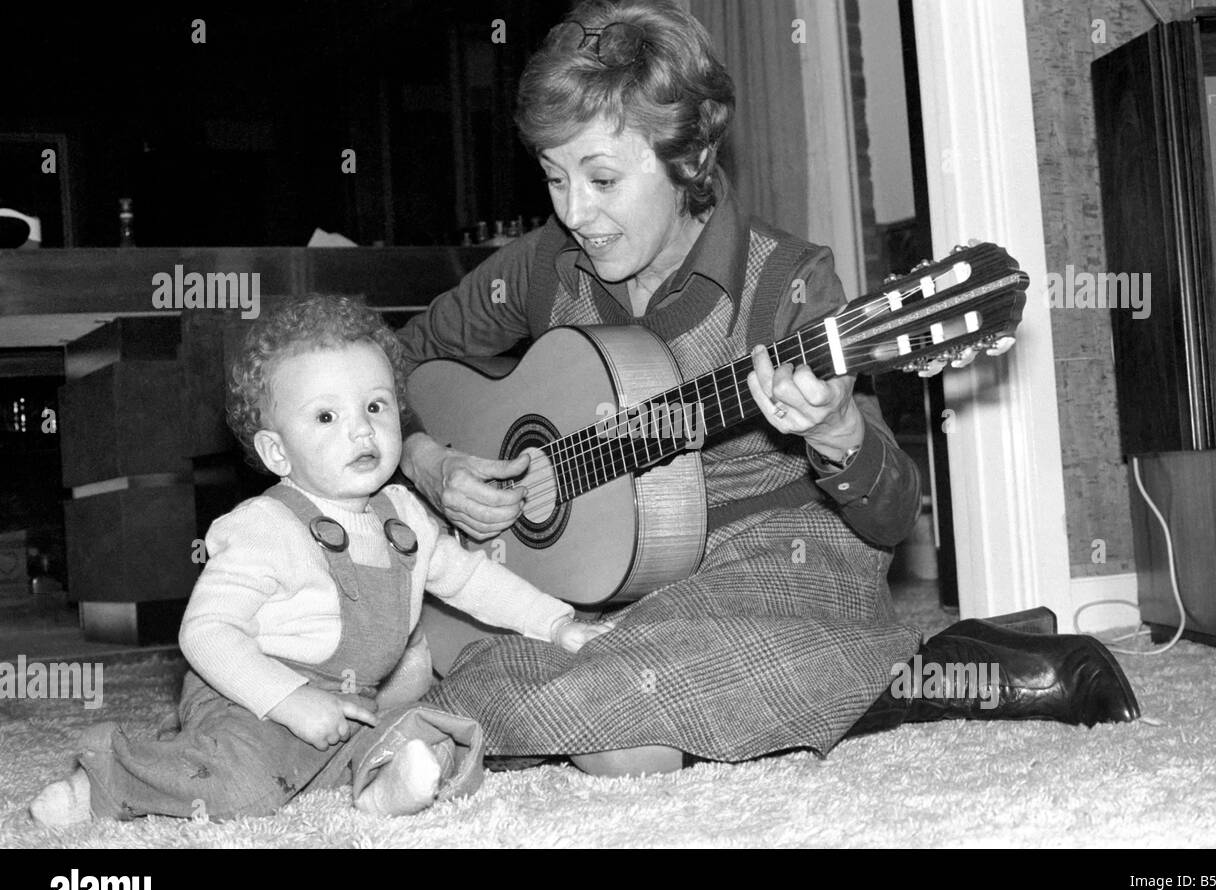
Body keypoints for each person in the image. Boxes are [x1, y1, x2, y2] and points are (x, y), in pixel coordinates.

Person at [398, 0, 1139, 777]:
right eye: (555, 176)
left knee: (601, 732)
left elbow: (890, 518)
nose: (576, 212)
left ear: (687, 158)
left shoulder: (787, 283)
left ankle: (934, 666)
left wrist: (837, 433)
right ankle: (853, 676)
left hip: (780, 566)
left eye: (604, 178)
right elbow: (397, 356)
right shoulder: (544, 266)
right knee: (567, 698)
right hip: (613, 588)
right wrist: (427, 459)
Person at [30, 296, 607, 826]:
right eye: (326, 417)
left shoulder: (403, 513)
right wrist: (289, 700)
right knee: (243, 786)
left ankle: (383, 791)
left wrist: (556, 622)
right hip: (246, 692)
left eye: (376, 406)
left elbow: (473, 579)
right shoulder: (264, 527)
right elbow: (205, 633)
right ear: (277, 451)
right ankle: (107, 780)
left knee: (440, 735)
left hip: (352, 700)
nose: (361, 428)